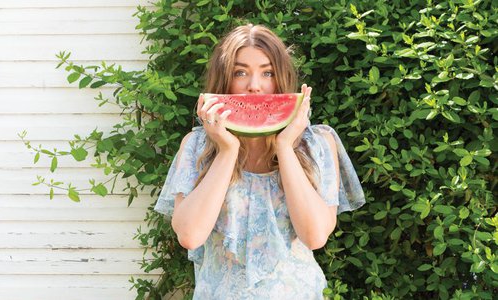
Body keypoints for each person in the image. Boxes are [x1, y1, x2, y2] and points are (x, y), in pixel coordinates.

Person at [155, 24, 365, 299]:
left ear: (281, 79)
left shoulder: (317, 145)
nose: (255, 86)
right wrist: (227, 151)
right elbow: (190, 235)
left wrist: (285, 146)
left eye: (267, 73)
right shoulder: (196, 146)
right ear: (224, 81)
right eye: (240, 72)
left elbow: (314, 236)